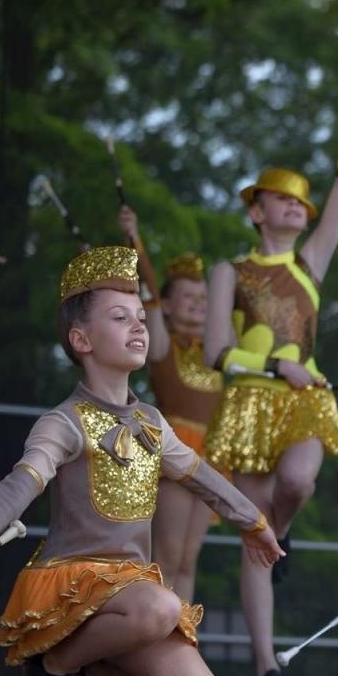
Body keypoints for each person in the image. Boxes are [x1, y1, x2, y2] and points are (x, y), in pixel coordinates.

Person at [0, 247, 281, 676]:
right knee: (161, 604)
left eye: (141, 316)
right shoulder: (64, 421)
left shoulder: (152, 422)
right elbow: (17, 487)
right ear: (82, 339)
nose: (139, 326)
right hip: (74, 588)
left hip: (131, 597)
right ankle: (54, 663)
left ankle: (89, 670)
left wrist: (255, 523)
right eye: (121, 318)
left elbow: (204, 478)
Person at [203, 96, 338, 676]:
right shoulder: (229, 272)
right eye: (284, 198)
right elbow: (216, 352)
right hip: (249, 403)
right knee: (251, 534)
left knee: (297, 483)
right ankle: (267, 665)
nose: (297, 205)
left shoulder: (312, 263)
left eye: (302, 202)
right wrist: (273, 366)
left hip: (303, 401)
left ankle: (282, 535)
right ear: (257, 210)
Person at [118, 206, 222, 603]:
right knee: (168, 554)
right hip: (176, 451)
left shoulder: (214, 351)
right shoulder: (162, 346)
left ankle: (184, 636)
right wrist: (134, 238)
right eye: (189, 297)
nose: (199, 303)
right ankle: (156, 637)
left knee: (190, 560)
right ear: (170, 304)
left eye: (204, 297)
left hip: (211, 457)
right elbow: (149, 293)